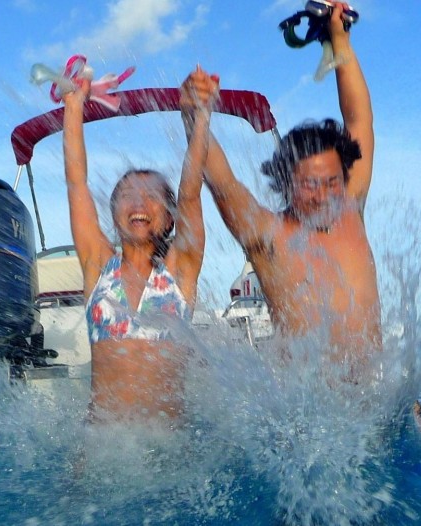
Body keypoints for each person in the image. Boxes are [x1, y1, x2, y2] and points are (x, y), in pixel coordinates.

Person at [182, 3, 378, 371]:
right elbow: (221, 180)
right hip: (311, 416)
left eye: (331, 182)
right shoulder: (266, 235)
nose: (321, 195)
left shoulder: (350, 207)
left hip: (377, 400)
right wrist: (193, 114)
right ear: (286, 182)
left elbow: (359, 118)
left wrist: (340, 41)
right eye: (308, 185)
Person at [62, 73, 211, 423]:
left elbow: (190, 192)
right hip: (103, 447)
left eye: (152, 196)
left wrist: (200, 115)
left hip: (168, 450)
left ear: (170, 218)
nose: (138, 201)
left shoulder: (179, 271)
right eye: (127, 195)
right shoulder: (99, 265)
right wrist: (73, 107)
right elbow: (76, 183)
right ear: (114, 216)